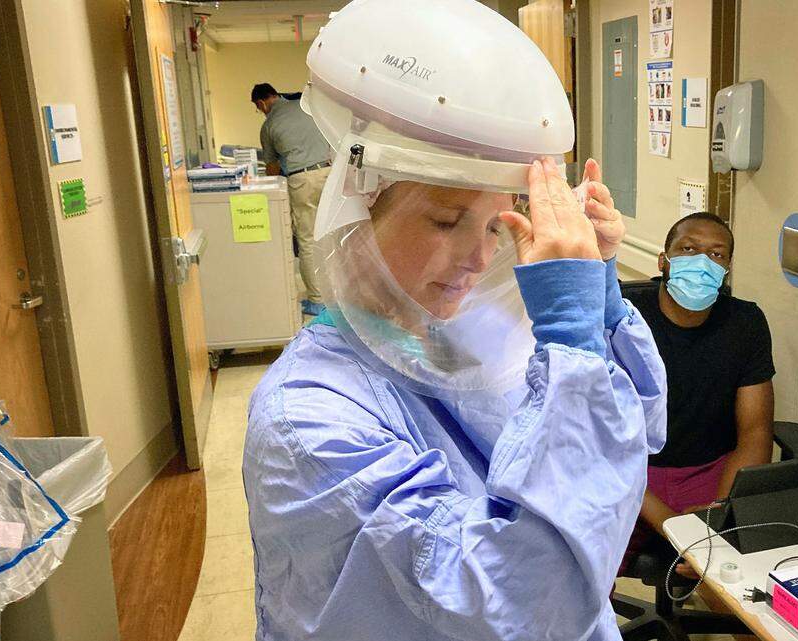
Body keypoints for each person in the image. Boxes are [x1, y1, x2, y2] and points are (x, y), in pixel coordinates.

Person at [243, 2, 667, 639]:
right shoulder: (307, 422)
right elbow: (522, 604)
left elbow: (637, 429)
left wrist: (595, 306)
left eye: (496, 225)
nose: (479, 256)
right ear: (358, 206)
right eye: (446, 220)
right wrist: (571, 350)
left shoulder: (466, 336)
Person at [622, 211, 775, 578]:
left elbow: (755, 433)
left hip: (711, 475)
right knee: (578, 575)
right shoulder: (623, 321)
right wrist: (674, 527)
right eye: (688, 248)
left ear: (727, 269)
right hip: (627, 475)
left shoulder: (746, 323)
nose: (702, 261)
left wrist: (717, 517)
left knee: (745, 582)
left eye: (717, 254)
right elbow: (589, 439)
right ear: (664, 261)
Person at [252, 82, 332, 317]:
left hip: (302, 181)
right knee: (331, 236)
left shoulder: (269, 125)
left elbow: (272, 168)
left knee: (307, 241)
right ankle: (338, 296)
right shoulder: (306, 107)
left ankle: (317, 301)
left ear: (261, 103)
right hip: (329, 174)